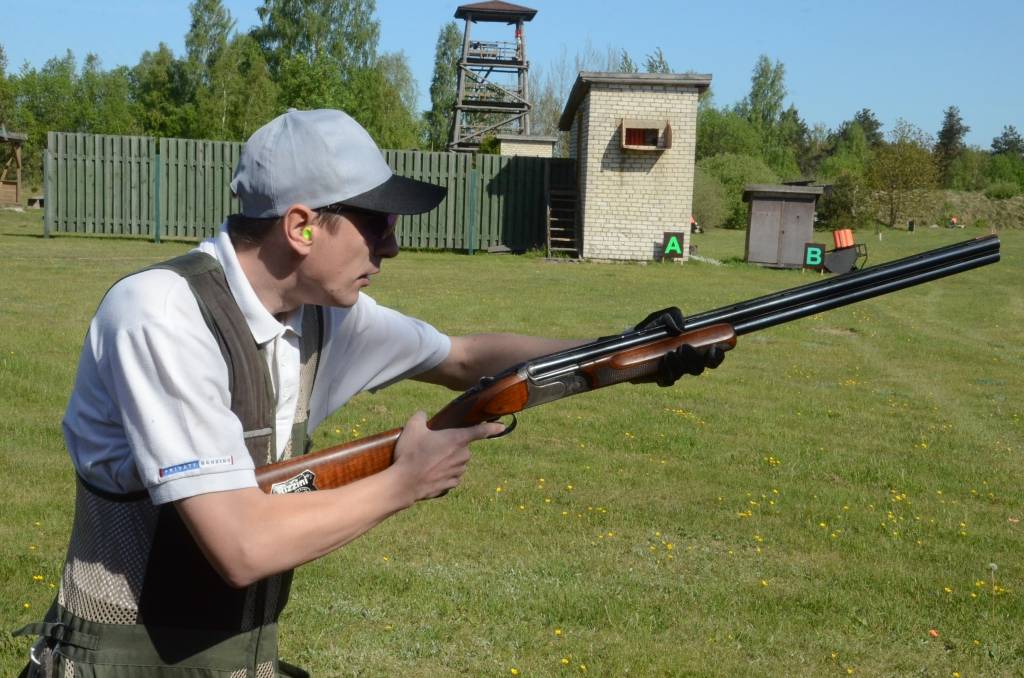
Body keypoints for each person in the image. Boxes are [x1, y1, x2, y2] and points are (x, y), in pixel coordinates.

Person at [15, 109, 725, 677]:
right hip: (123, 663)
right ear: (301, 226)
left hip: (235, 660)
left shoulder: (321, 314)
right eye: (376, 222)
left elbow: (464, 358)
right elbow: (241, 545)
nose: (391, 246)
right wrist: (404, 482)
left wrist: (635, 353)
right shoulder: (162, 314)